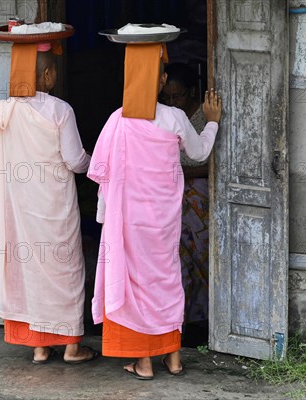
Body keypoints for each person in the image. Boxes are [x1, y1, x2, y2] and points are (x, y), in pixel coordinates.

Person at [88, 43, 222, 380]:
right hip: (163, 222)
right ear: (161, 80)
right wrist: (212, 123)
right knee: (166, 282)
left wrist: (104, 219)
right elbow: (200, 152)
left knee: (135, 288)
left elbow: (102, 173)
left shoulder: (116, 121)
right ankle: (173, 359)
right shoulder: (175, 117)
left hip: (127, 224)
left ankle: (144, 362)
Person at [0, 38, 99, 365]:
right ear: (47, 76)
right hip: (53, 208)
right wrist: (101, 164)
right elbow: (76, 160)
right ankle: (72, 348)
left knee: (29, 271)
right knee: (64, 272)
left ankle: (40, 347)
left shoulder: (0, 115)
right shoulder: (59, 110)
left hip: (18, 210)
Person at [160, 63, 210, 340]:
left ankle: (203, 320)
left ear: (192, 93)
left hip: (198, 196)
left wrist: (182, 173)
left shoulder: (205, 116)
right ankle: (184, 320)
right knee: (177, 260)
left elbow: (215, 166)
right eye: (166, 97)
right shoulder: (167, 116)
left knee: (201, 257)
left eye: (176, 96)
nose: (170, 102)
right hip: (173, 197)